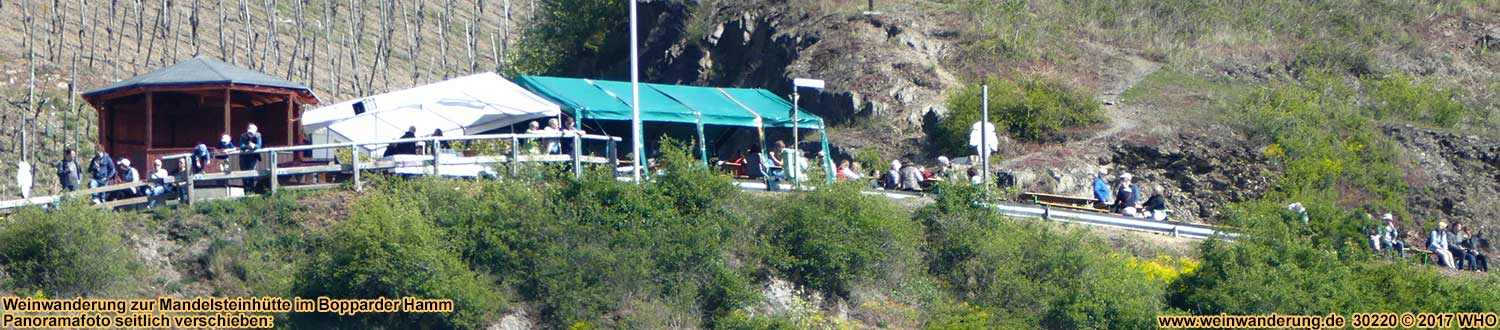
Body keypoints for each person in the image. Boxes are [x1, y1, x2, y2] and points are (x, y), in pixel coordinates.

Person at [239, 124, 264, 189]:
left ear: (255, 132)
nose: (250, 134)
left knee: (252, 172)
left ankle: (252, 189)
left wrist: (254, 146)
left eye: (252, 132)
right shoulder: (243, 136)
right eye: (249, 132)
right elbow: (241, 146)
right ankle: (245, 190)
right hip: (243, 157)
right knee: (244, 174)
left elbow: (259, 145)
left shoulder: (258, 136)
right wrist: (248, 146)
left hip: (253, 157)